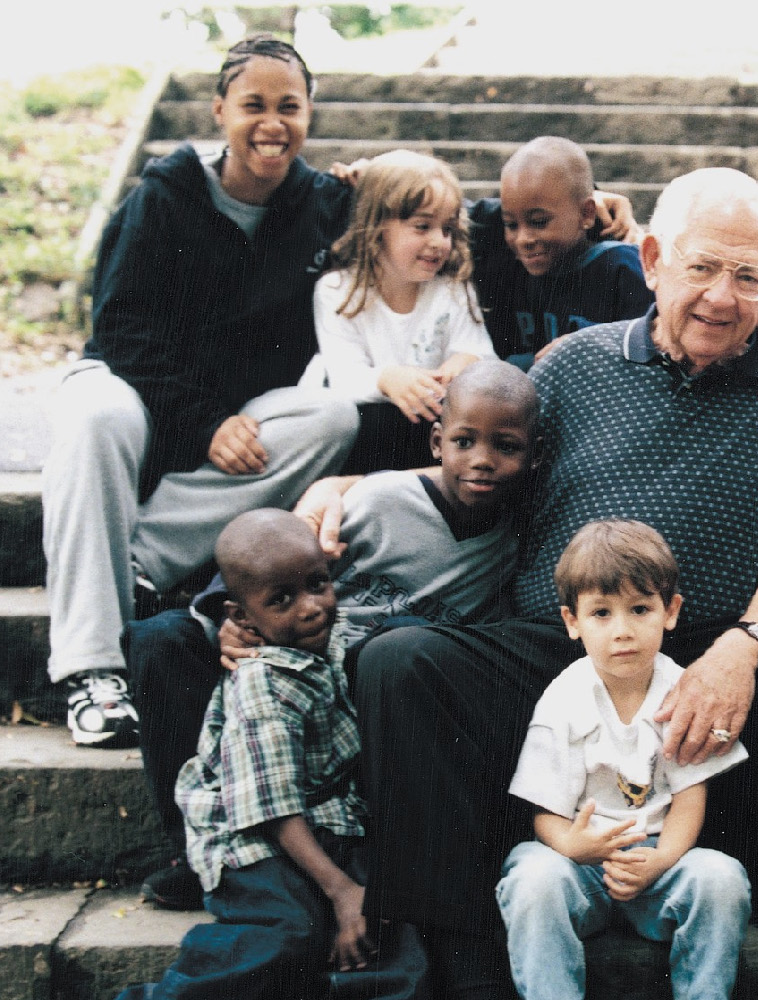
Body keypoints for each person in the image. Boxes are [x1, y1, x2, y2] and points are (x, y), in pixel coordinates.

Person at [336, 167, 758, 1000]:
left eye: (749, 278)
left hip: (716, 663)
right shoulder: (571, 369)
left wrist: (743, 649)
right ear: (652, 259)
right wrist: (351, 488)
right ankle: (467, 966)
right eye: (702, 269)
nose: (725, 298)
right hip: (564, 652)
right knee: (400, 663)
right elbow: (479, 465)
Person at [42, 34, 359, 748]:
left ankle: (140, 563)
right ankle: (92, 671)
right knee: (93, 417)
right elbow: (120, 329)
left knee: (330, 416)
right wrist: (201, 417)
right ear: (220, 111)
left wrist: (594, 210)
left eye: (289, 106)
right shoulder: (164, 197)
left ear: (309, 114)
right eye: (253, 105)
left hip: (232, 416)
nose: (272, 124)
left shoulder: (324, 202)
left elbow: (432, 224)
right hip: (136, 389)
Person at [127, 361, 539, 911]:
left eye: (505, 447)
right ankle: (200, 854)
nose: (483, 461)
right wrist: (226, 620)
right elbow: (273, 557)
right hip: (280, 653)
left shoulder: (521, 537)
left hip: (358, 695)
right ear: (438, 442)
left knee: (398, 646)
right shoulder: (378, 502)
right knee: (159, 639)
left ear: (533, 458)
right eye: (465, 441)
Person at [116, 509, 428, 1000]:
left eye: (318, 584)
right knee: (288, 932)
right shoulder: (263, 684)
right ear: (240, 618)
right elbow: (272, 810)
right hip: (255, 836)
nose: (310, 608)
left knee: (390, 927)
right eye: (281, 600)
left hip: (332, 822)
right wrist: (340, 889)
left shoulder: (327, 639)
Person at [496, 519, 751, 1000]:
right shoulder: (564, 698)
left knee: (719, 877)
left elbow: (690, 798)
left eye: (639, 609)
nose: (623, 632)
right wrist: (575, 847)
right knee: (531, 875)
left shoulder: (681, 691)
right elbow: (546, 813)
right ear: (573, 622)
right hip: (579, 863)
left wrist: (661, 861)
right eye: (601, 614)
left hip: (657, 860)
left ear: (670, 612)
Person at [303, 149, 494, 472]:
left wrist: (465, 362)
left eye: (447, 229)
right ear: (376, 228)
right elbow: (343, 377)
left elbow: (484, 356)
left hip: (423, 432)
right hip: (364, 434)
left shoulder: (451, 289)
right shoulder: (337, 292)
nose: (439, 242)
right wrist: (388, 379)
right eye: (422, 226)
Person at [471, 136, 653, 369]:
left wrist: (592, 346)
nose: (523, 239)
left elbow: (656, 342)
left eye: (539, 222)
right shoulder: (507, 261)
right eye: (511, 225)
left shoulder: (621, 267)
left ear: (587, 214)